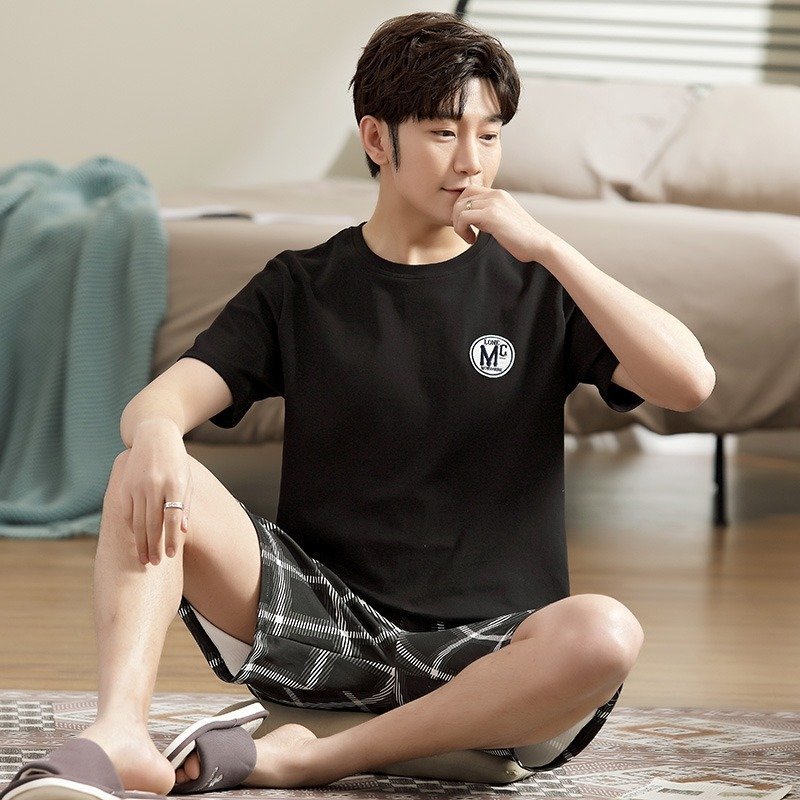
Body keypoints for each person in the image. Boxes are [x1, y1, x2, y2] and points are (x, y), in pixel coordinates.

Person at [3, 10, 716, 798]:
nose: (472, 162)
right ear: (378, 139)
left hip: (490, 654)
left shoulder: (536, 286)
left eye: (489, 135)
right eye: (443, 132)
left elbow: (690, 382)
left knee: (605, 633)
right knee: (139, 467)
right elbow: (160, 401)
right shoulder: (302, 286)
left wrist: (549, 247)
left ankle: (317, 756)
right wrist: (160, 437)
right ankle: (121, 734)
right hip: (325, 629)